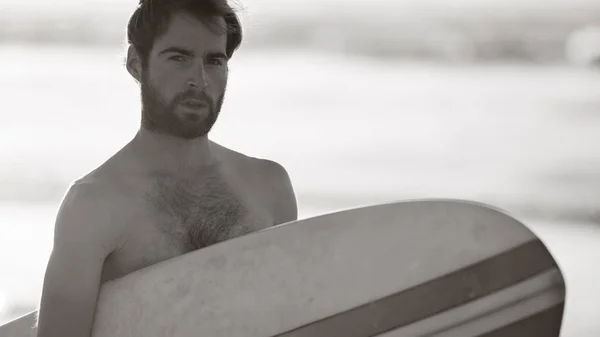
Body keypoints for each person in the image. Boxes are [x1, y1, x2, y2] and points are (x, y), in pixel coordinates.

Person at [35, 1, 298, 336]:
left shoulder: (269, 189)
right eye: (179, 57)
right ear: (135, 63)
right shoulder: (93, 206)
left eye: (214, 60)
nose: (199, 80)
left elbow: (292, 318)